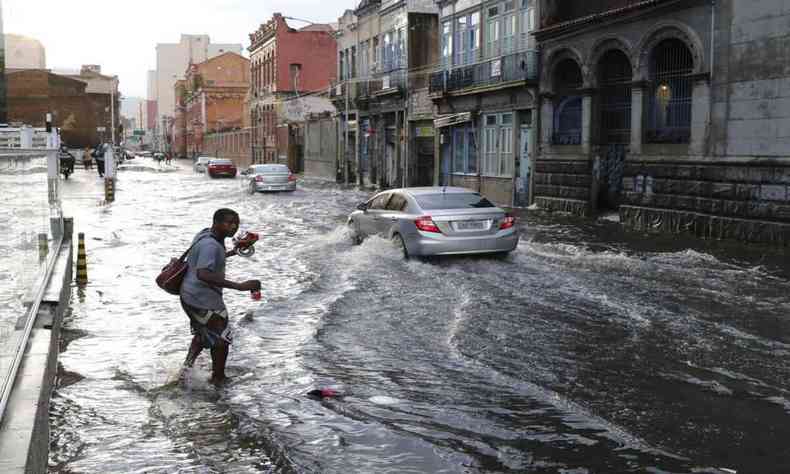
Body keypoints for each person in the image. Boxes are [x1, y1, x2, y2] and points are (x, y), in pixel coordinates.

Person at [179, 209, 261, 386]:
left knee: (203, 331)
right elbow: (203, 273)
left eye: (236, 223)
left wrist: (234, 251)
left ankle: (186, 369)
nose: (233, 227)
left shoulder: (206, 235)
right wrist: (240, 286)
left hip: (189, 295)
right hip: (202, 299)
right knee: (222, 338)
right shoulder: (211, 245)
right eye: (228, 223)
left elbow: (209, 258)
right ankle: (218, 378)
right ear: (216, 222)